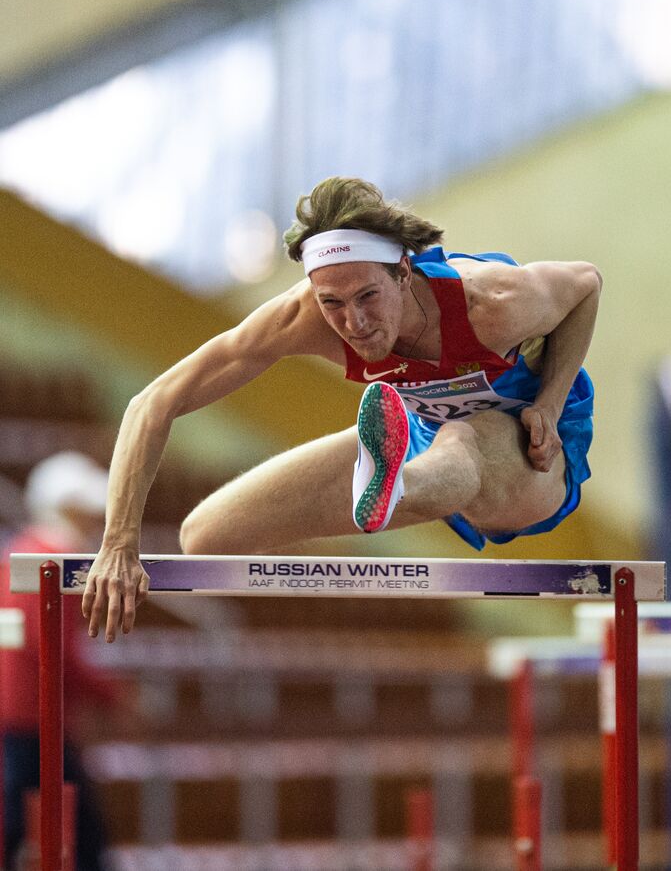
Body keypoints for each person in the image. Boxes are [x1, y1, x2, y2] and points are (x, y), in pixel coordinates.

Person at [81, 176, 601, 643]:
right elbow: (153, 402)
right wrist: (117, 543)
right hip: (419, 438)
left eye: (367, 296)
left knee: (463, 439)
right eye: (332, 303)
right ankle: (387, 476)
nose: (354, 323)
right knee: (206, 536)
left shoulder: (491, 301)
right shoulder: (298, 317)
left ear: (402, 270)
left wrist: (550, 405)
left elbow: (585, 285)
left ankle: (394, 483)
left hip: (530, 462)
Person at [2, 452, 122, 871]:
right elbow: (51, 649)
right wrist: (111, 694)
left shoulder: (22, 553)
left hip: (28, 721)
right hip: (31, 725)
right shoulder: (51, 561)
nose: (96, 521)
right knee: (79, 838)